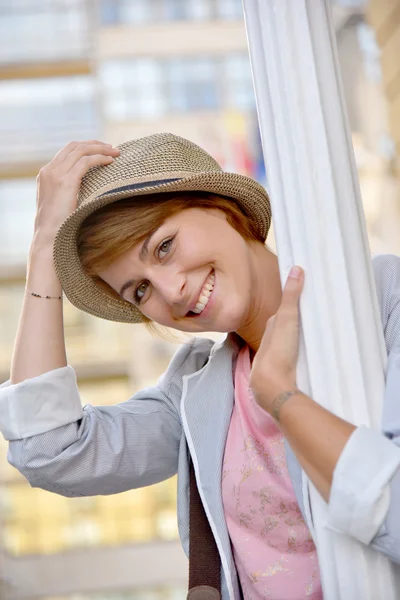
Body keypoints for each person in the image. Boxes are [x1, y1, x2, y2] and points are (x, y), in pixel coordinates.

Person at [1, 133, 400, 600]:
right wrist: (45, 246)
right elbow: (51, 453)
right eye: (139, 291)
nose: (170, 292)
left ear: (221, 206)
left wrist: (282, 400)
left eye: (164, 246)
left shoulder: (379, 300)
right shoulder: (198, 392)